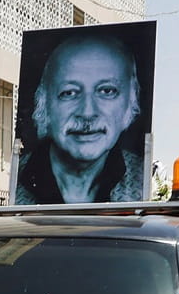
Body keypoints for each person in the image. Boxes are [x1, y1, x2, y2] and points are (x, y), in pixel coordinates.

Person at [14, 32, 145, 204]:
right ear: (44, 105)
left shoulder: (142, 177)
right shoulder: (15, 178)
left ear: (130, 102)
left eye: (107, 91)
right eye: (69, 93)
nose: (87, 113)